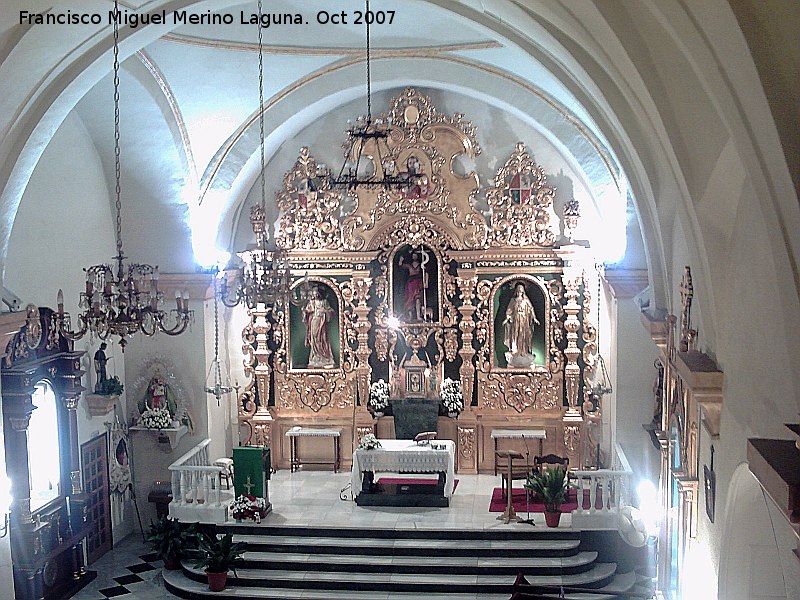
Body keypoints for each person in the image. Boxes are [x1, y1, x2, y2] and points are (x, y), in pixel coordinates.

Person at [502, 282, 540, 367]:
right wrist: (507, 318)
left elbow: (531, 309)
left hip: (524, 321)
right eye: (518, 290)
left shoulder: (526, 300)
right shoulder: (513, 300)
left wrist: (534, 318)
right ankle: (515, 351)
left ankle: (524, 351)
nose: (519, 292)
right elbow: (509, 310)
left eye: (521, 290)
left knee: (523, 336)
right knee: (515, 335)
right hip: (516, 321)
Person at [303, 286, 335, 368]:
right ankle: (315, 356)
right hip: (314, 321)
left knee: (322, 339)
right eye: (314, 293)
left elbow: (331, 311)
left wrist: (325, 311)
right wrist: (305, 312)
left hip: (322, 322)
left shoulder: (324, 302)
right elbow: (307, 312)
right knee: (314, 338)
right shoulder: (311, 302)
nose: (315, 295)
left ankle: (324, 357)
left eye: (317, 293)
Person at [398, 251, 427, 321]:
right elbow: (401, 265)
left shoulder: (420, 265)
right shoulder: (409, 265)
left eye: (415, 256)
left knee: (418, 299)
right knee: (410, 300)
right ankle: (410, 316)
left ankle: (418, 316)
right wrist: (401, 259)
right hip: (411, 284)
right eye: (413, 256)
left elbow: (426, 272)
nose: (414, 257)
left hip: (418, 283)